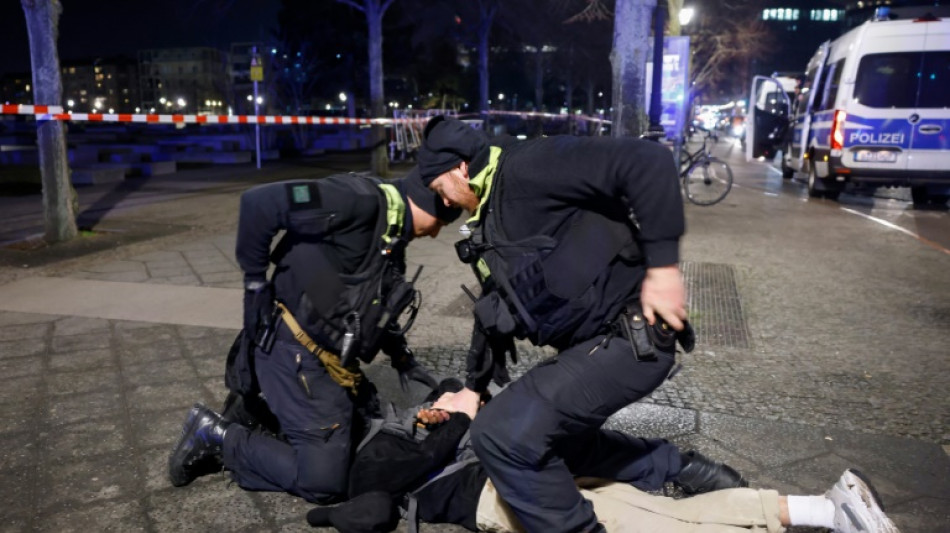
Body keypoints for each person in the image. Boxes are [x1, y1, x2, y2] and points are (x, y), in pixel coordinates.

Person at [413, 115, 730, 532]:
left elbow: (648, 160)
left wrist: (664, 269)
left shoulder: (528, 164)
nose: (446, 204)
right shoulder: (491, 217)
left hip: (632, 338)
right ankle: (689, 472)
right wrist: (472, 389)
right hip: (594, 347)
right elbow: (492, 311)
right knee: (549, 442)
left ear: (460, 168)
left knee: (499, 434)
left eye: (441, 190)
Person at [167, 170, 462, 504]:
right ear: (430, 199)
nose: (437, 232)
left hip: (323, 356)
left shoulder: (392, 235)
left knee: (360, 431)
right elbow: (258, 202)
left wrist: (402, 358)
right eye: (440, 220)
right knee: (324, 482)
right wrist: (254, 285)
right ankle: (217, 436)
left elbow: (375, 303)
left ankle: (253, 411)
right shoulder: (356, 200)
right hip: (293, 350)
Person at [308, 386, 901, 533]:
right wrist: (460, 417)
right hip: (502, 496)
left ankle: (828, 510)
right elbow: (374, 509)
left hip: (520, 472)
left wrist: (459, 410)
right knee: (651, 521)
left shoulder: (413, 421)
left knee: (649, 517)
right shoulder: (374, 460)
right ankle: (825, 510)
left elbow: (461, 408)